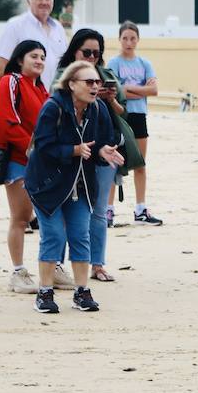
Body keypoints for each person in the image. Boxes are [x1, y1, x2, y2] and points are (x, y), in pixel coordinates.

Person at [24, 59, 125, 314]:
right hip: (47, 184)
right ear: (71, 84)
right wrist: (74, 150)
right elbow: (43, 146)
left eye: (97, 82)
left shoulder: (98, 108)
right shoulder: (53, 107)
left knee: (81, 235)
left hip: (80, 185)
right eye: (89, 82)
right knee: (54, 236)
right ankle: (45, 292)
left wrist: (102, 150)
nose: (95, 87)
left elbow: (101, 140)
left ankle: (82, 292)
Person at [54, 30, 139, 283]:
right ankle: (57, 265)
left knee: (99, 210)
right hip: (72, 150)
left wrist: (109, 99)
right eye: (86, 52)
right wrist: (86, 94)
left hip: (105, 147)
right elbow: (56, 106)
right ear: (74, 52)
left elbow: (122, 112)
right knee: (65, 207)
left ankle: (97, 264)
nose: (91, 57)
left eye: (96, 53)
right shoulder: (63, 77)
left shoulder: (107, 76)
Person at [0, 38, 50, 294]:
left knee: (50, 217)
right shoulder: (9, 82)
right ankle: (18, 272)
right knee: (21, 217)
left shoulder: (41, 88)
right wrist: (33, 149)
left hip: (42, 162)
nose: (39, 61)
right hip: (18, 161)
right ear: (19, 59)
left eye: (42, 57)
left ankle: (52, 268)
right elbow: (5, 122)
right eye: (34, 56)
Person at [106, 21, 161, 226]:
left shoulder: (145, 63)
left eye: (132, 38)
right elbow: (115, 91)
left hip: (139, 116)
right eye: (125, 38)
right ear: (119, 40)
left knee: (140, 163)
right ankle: (108, 210)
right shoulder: (114, 63)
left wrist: (129, 89)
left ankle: (140, 209)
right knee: (114, 164)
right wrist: (139, 89)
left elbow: (153, 90)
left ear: (138, 40)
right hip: (120, 116)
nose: (129, 42)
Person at [0, 0, 67, 91]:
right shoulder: (15, 25)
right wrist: (23, 92)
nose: (44, 2)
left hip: (54, 97)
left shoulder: (58, 28)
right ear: (28, 1)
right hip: (26, 97)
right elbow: (0, 66)